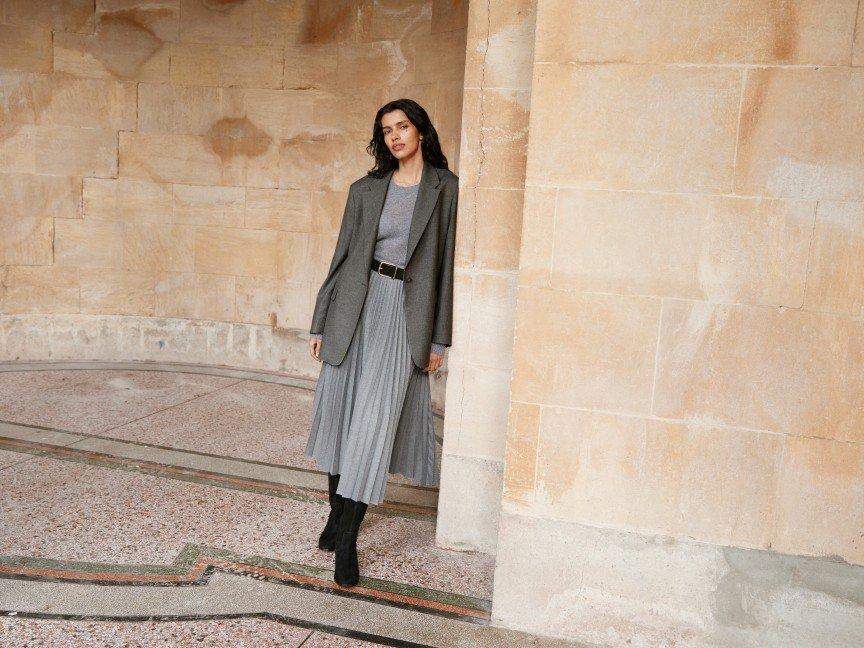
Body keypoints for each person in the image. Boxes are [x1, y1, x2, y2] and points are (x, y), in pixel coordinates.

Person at [304, 98, 459, 587]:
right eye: (386, 130)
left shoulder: (446, 189)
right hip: (356, 305)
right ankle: (335, 515)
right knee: (343, 416)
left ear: (420, 131)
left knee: (372, 424)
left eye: (403, 127)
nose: (395, 137)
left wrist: (439, 339)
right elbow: (342, 257)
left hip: (403, 315)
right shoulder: (365, 190)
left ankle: (347, 538)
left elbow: (447, 269)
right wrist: (321, 321)